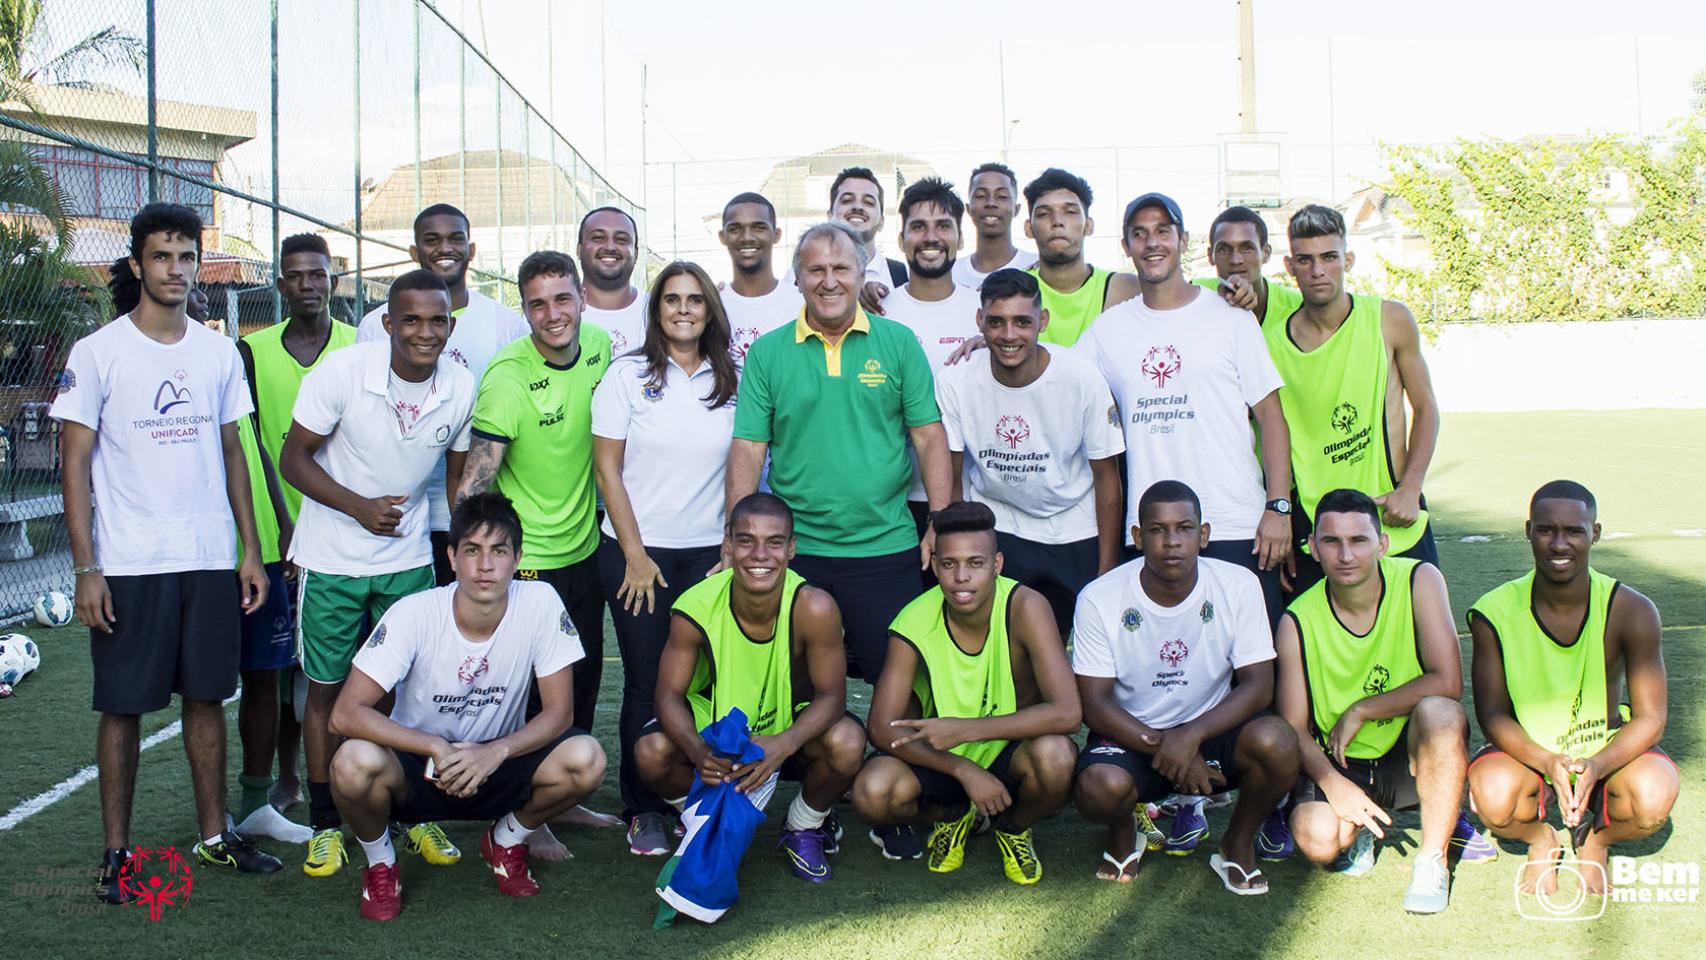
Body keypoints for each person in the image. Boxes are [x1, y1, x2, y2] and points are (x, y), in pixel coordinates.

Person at [56, 203, 282, 902]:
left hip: (209, 558)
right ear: (137, 265)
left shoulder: (218, 351)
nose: (176, 269)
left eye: (187, 257)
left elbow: (234, 454)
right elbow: (74, 465)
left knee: (208, 697)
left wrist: (249, 548)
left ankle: (214, 836)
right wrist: (87, 568)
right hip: (129, 562)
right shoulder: (98, 353)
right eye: (162, 257)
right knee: (123, 707)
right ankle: (117, 853)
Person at [726, 221, 952, 857]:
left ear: (862, 274)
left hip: (884, 549)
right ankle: (804, 803)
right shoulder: (769, 352)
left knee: (899, 686)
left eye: (841, 269)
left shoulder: (898, 342)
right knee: (791, 686)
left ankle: (899, 801)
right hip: (796, 558)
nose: (829, 281)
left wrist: (937, 520)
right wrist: (737, 536)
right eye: (816, 270)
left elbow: (929, 437)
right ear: (798, 277)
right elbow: (748, 448)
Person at [328, 493, 607, 921]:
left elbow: (560, 714)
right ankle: (381, 862)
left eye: (499, 551)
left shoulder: (541, 602)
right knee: (351, 762)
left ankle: (508, 838)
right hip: (418, 768)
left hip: (496, 764)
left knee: (586, 758)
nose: (485, 565)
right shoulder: (413, 613)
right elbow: (345, 714)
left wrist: (495, 751)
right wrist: (436, 746)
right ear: (452, 557)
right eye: (472, 550)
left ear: (518, 557)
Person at [282, 268, 477, 877]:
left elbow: (457, 474)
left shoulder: (460, 385)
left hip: (407, 557)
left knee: (403, 690)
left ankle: (409, 811)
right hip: (334, 558)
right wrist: (359, 508)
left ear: (451, 324)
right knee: (328, 690)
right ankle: (323, 822)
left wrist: (467, 542)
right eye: (411, 320)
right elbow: (293, 458)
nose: (426, 332)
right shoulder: (341, 373)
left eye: (438, 320)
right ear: (388, 323)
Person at [1076, 192, 1293, 626]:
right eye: (1139, 234)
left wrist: (1279, 508)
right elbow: (1053, 376)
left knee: (1254, 666)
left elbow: (1271, 417)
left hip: (1234, 524)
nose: (1151, 243)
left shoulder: (1231, 316)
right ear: (1126, 247)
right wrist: (983, 346)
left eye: (1162, 231)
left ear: (1183, 240)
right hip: (1153, 532)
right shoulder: (1109, 330)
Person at [1071, 481, 1297, 892]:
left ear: (1204, 534)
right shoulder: (1098, 598)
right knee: (1097, 788)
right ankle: (1124, 835)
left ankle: (1237, 843)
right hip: (1134, 737)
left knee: (1279, 742)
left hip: (1212, 732)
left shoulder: (1238, 584)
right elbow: (1095, 705)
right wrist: (1166, 745)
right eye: (1157, 530)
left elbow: (1260, 686)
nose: (1171, 542)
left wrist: (1191, 736)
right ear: (1137, 537)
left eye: (1184, 528)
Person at [1275, 488, 1491, 916]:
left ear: (1382, 544)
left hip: (1406, 754)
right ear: (1313, 548)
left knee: (1442, 713)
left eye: (1358, 540)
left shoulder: (1418, 580)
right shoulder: (1296, 620)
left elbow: (1448, 681)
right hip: (1343, 759)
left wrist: (1363, 708)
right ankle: (1364, 830)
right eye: (1332, 542)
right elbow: (1294, 728)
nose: (1345, 554)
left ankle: (1432, 859)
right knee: (1317, 839)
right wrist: (1337, 788)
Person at [635, 494, 866, 883]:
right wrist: (698, 751)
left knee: (847, 741)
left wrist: (784, 743)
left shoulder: (815, 607)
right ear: (728, 544)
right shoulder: (696, 606)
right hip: (720, 742)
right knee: (650, 752)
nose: (760, 555)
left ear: (791, 548)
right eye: (746, 540)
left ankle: (803, 826)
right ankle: (704, 819)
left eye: (774, 542)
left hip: (786, 737)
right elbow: (668, 696)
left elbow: (833, 696)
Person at [591, 260, 739, 855]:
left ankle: (702, 790)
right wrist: (634, 553)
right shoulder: (627, 376)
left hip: (711, 557)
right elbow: (607, 468)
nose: (683, 309)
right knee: (647, 683)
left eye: (695, 300)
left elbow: (746, 465)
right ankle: (644, 807)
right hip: (638, 555)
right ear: (655, 311)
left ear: (709, 311)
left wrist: (731, 546)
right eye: (671, 299)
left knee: (705, 680)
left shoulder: (732, 377)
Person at [1467, 480, 1678, 897]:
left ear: (1594, 534)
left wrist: (1596, 765)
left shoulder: (1631, 609)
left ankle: (1595, 841)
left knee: (1653, 797)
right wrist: (1548, 761)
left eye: (1574, 532)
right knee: (1491, 796)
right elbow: (1492, 716)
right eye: (1546, 530)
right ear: (1529, 530)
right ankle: (1540, 840)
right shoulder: (1493, 611)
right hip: (1529, 755)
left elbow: (1652, 716)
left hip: (1606, 752)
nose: (1559, 544)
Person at [855, 501, 1081, 884]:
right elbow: (881, 727)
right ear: (936, 565)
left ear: (997, 564)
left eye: (975, 563)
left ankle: (1012, 827)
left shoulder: (1025, 606)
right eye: (949, 564)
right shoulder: (914, 619)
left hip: (1010, 751)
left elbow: (1068, 712)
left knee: (1057, 757)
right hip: (943, 757)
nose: (961, 577)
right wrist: (963, 767)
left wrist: (966, 729)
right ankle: (953, 817)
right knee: (873, 791)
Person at [458, 252, 611, 739]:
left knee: (582, 676)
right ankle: (518, 803)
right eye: (537, 305)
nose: (553, 314)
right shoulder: (507, 378)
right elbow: (473, 484)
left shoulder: (599, 345)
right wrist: (476, 563)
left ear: (583, 298)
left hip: (585, 549)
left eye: (563, 298)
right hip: (530, 559)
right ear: (524, 312)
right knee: (528, 688)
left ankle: (570, 791)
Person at [935, 268, 1124, 636]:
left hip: (1073, 527)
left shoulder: (1081, 378)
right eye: (996, 322)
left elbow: (1107, 478)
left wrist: (1106, 570)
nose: (1009, 335)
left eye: (1022, 322)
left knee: (1084, 646)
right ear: (979, 321)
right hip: (1003, 524)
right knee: (1008, 644)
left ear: (1043, 320)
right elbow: (953, 476)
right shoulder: (956, 379)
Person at [241, 232, 360, 813]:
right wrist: (283, 525)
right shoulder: (251, 350)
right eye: (296, 275)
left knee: (336, 668)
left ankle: (342, 772)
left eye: (318, 274)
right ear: (280, 283)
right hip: (274, 532)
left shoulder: (361, 345)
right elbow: (255, 443)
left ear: (333, 280)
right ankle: (280, 782)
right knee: (273, 671)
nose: (308, 284)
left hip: (344, 532)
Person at [1269, 204, 1443, 596]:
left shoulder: (1389, 320)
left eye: (1329, 257)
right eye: (1305, 260)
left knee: (1422, 647)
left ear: (1347, 259)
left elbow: (1426, 407)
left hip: (1394, 521)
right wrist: (1285, 518)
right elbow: (1270, 442)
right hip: (1318, 536)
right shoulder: (1270, 345)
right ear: (1289, 265)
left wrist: (1410, 487)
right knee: (1319, 653)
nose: (1318, 270)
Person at [357, 204, 529, 586]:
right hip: (398, 511)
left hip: (472, 506)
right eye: (431, 240)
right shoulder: (374, 325)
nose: (444, 248)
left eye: (455, 239)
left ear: (471, 249)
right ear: (414, 253)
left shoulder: (504, 324)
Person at [880, 177, 982, 532]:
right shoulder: (879, 313)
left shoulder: (986, 314)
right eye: (918, 227)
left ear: (960, 238)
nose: (931, 238)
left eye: (943, 226)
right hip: (896, 499)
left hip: (971, 492)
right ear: (901, 240)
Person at [1020, 168, 1138, 348]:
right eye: (1044, 214)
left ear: (1089, 225)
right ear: (1029, 228)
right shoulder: (1010, 289)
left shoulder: (1125, 290)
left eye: (1070, 211)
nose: (1057, 221)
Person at [717, 192, 803, 364]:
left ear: (776, 234)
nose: (747, 237)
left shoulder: (802, 303)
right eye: (735, 229)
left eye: (759, 228)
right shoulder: (711, 304)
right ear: (722, 237)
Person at [1197, 205, 1302, 329]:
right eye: (1224, 250)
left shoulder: (1298, 308)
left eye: (1247, 249)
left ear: (1266, 253)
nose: (1235, 260)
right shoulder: (1194, 296)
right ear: (1210, 256)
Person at [951, 162, 1037, 289]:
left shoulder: (1035, 269)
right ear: (968, 209)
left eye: (1002, 196)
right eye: (980, 196)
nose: (991, 203)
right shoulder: (952, 274)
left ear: (1016, 209)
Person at [578, 205, 649, 358]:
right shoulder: (556, 314)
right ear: (579, 249)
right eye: (598, 237)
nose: (610, 247)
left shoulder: (656, 311)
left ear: (636, 253)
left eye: (621, 239)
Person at [828, 165, 908, 290]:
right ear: (830, 216)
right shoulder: (799, 279)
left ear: (881, 222)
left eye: (868, 202)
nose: (858, 206)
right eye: (847, 200)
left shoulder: (904, 277)